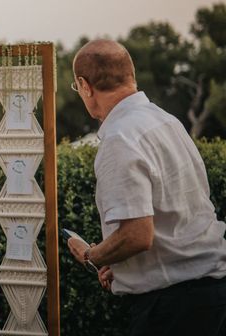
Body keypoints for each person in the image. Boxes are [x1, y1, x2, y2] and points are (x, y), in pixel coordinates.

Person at [66, 39, 226, 336]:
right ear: (131, 76)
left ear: (85, 86)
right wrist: (127, 268)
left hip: (172, 309)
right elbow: (178, 216)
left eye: (78, 89)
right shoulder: (168, 122)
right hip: (211, 294)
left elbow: (138, 234)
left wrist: (93, 255)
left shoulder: (119, 138)